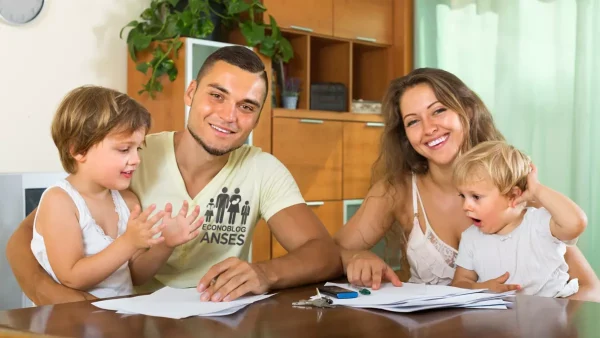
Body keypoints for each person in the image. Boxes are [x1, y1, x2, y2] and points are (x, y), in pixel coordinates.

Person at [7, 46, 341, 305]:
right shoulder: (131, 157)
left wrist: (264, 273)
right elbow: (25, 238)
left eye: (246, 106)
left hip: (214, 317)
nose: (228, 116)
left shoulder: (262, 169)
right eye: (217, 95)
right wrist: (61, 300)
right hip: (126, 319)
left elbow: (324, 253)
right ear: (190, 92)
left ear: (256, 118)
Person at [334, 67, 600, 302]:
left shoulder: (513, 186)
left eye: (438, 110)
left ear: (468, 111)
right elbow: (333, 251)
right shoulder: (397, 190)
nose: (429, 128)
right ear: (405, 135)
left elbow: (590, 288)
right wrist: (355, 257)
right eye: (413, 121)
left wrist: (548, 327)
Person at [29, 85, 203, 300]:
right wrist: (128, 242)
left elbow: (136, 276)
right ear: (78, 150)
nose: (136, 159)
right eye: (124, 149)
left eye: (137, 148)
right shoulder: (60, 202)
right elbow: (72, 277)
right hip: (70, 325)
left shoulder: (128, 201)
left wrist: (166, 244)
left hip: (118, 321)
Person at [451, 141, 585, 297]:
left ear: (512, 196)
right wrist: (480, 288)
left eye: (476, 197)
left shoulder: (539, 223)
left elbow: (576, 223)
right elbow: (459, 284)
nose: (466, 206)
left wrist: (537, 190)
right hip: (500, 318)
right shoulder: (471, 238)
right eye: (462, 196)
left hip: (552, 313)